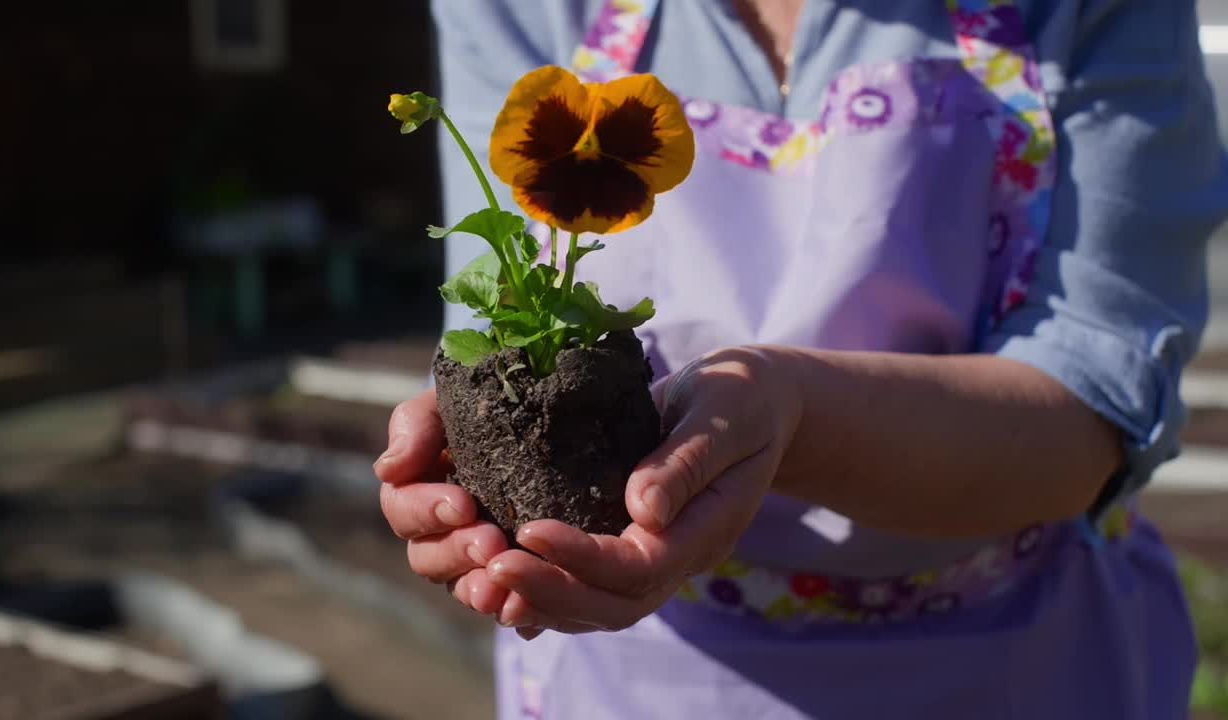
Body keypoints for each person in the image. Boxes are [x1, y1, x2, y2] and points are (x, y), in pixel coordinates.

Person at [375, 1, 1228, 717]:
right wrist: (466, 447)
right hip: (638, 678)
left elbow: (1092, 402)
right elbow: (490, 302)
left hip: (1010, 667)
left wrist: (792, 416)